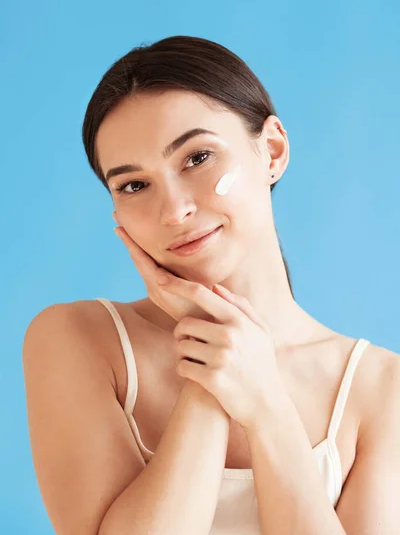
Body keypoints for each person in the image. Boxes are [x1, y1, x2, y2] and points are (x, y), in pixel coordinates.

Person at [22, 35, 400, 535]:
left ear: (272, 150)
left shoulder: (381, 389)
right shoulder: (77, 340)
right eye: (134, 185)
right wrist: (212, 364)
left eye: (197, 158)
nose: (174, 210)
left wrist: (264, 406)